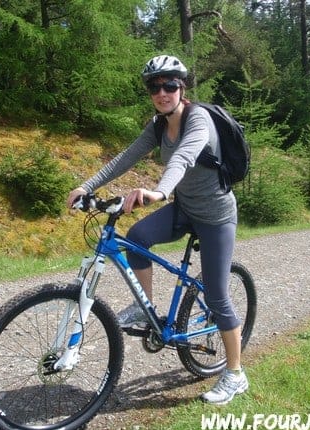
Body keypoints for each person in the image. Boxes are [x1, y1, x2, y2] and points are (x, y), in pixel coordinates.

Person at [66, 55, 248, 405]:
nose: (162, 92)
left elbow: (184, 158)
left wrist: (159, 191)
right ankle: (144, 306)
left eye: (170, 85)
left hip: (216, 216)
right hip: (185, 208)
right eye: (155, 87)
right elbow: (125, 158)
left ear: (182, 88)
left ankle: (236, 374)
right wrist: (85, 186)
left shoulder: (200, 120)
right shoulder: (158, 126)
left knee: (217, 294)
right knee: (137, 238)